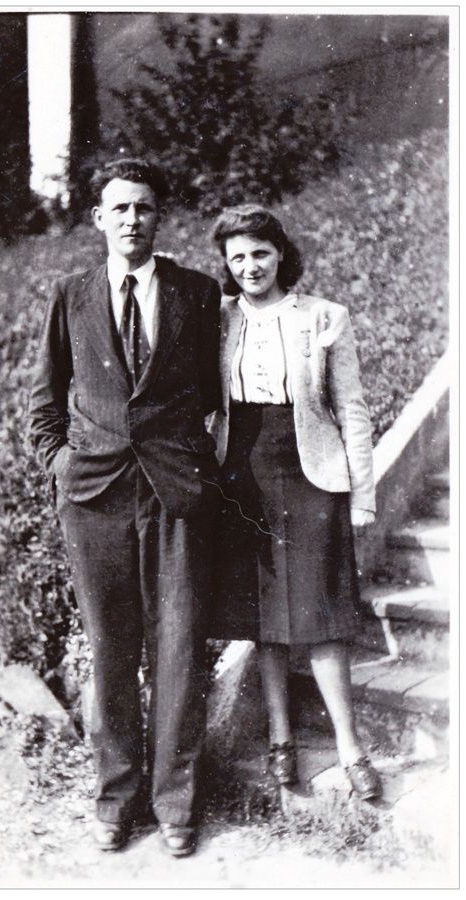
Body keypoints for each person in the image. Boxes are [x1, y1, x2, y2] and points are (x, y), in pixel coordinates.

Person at [29, 158, 221, 856]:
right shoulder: (70, 296)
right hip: (95, 497)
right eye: (120, 208)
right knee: (111, 649)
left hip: (174, 494)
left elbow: (213, 394)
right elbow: (45, 400)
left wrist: (195, 465)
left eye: (143, 207)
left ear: (158, 215)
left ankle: (175, 806)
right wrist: (63, 464)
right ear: (98, 219)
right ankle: (115, 799)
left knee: (179, 648)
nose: (132, 219)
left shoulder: (197, 293)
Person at [207, 204, 381, 800]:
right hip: (242, 474)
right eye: (237, 257)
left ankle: (350, 747)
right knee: (265, 615)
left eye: (260, 252)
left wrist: (363, 494)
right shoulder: (219, 318)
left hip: (310, 471)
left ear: (280, 253)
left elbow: (351, 408)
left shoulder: (325, 316)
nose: (250, 266)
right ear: (227, 264)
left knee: (323, 614)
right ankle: (281, 738)